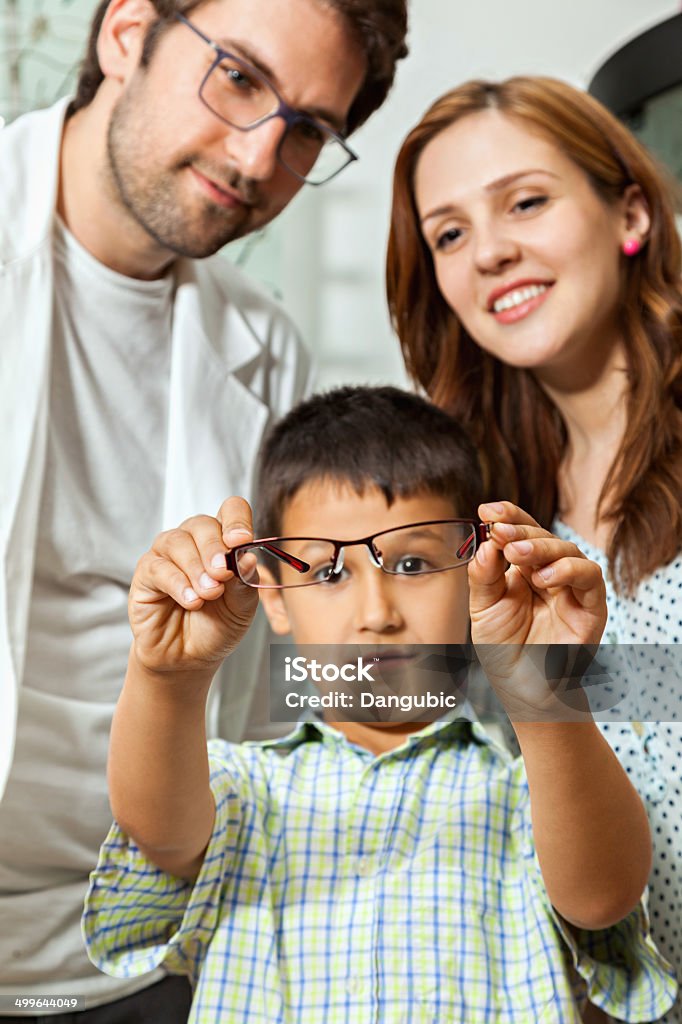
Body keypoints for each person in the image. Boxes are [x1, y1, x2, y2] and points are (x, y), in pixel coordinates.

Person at [0, 0, 408, 1018]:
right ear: (127, 33)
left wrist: (546, 675)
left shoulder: (266, 352)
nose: (262, 155)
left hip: (150, 948)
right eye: (238, 76)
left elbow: (301, 679)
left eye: (308, 129)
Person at [82, 386, 677, 1023]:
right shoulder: (243, 787)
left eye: (414, 563)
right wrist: (167, 678)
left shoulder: (529, 792)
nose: (377, 615)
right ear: (276, 599)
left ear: (477, 571)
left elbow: (602, 898)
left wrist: (545, 695)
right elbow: (160, 833)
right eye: (329, 574)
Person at [386, 75, 682, 1020]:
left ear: (628, 211)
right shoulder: (470, 522)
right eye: (450, 233)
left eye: (526, 201)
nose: (492, 251)